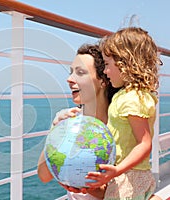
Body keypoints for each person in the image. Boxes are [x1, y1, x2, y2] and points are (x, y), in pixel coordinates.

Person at [85, 27, 162, 200]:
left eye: (107, 64)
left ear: (125, 64)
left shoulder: (132, 99)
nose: (104, 71)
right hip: (129, 173)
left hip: (129, 175)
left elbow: (144, 143)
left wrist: (117, 171)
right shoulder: (127, 94)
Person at [37, 43, 119, 200]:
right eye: (71, 73)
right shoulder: (66, 120)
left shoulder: (120, 124)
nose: (69, 79)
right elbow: (44, 175)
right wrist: (54, 131)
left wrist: (87, 188)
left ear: (103, 80)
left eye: (80, 73)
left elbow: (124, 192)